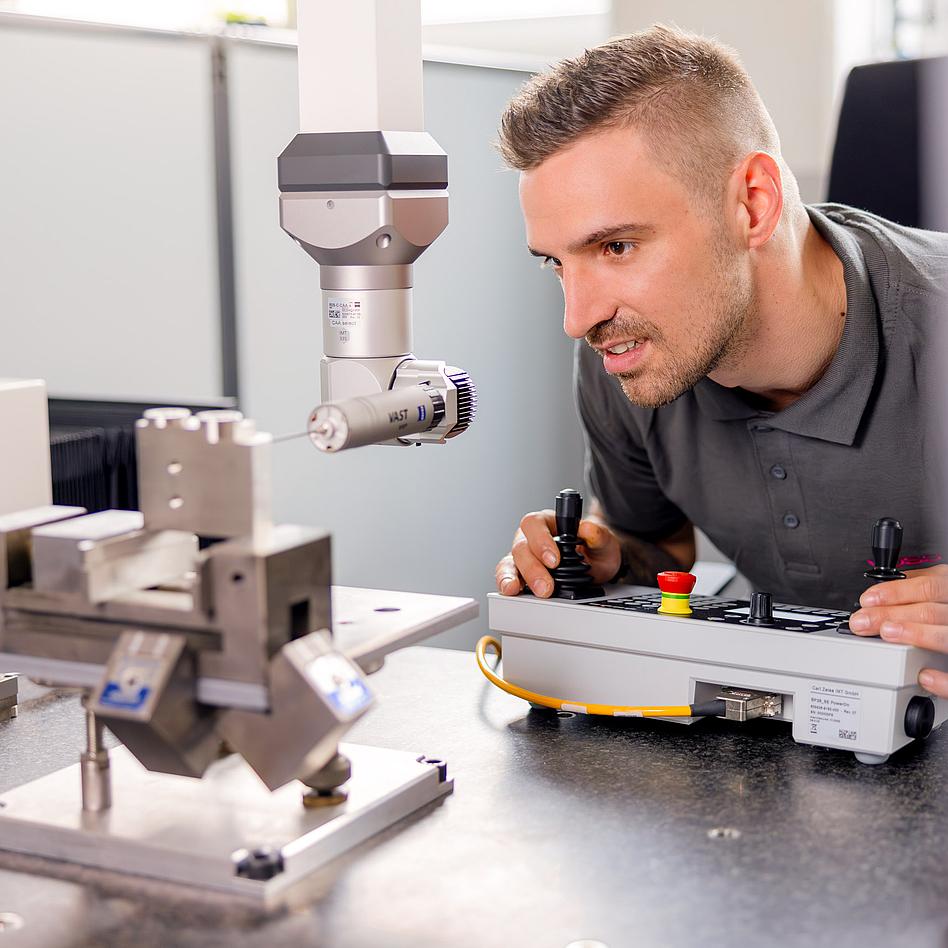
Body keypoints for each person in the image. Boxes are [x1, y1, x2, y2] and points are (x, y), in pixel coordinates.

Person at [491, 25, 948, 698]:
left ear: (752, 204)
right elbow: (658, 548)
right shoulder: (625, 355)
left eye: (617, 247)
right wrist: (604, 559)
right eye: (557, 264)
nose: (579, 318)